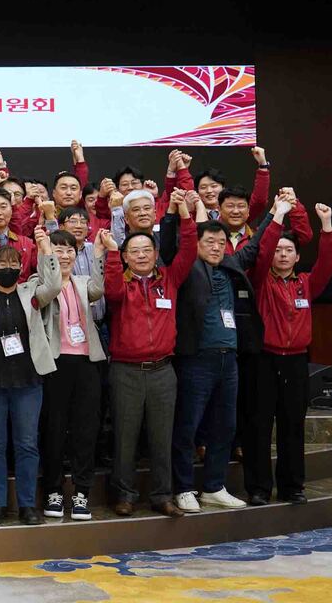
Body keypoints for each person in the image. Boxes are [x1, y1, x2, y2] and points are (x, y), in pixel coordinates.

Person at [170, 198, 270, 514]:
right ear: (196, 244)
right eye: (209, 242)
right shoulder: (188, 269)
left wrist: (275, 213)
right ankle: (183, 487)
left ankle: (214, 486)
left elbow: (255, 246)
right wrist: (180, 213)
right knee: (188, 426)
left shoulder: (230, 266)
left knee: (225, 426)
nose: (216, 247)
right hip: (197, 359)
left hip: (230, 359)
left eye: (220, 242)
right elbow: (174, 244)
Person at [103, 192, 197, 518]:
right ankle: (124, 495)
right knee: (125, 438)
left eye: (147, 250)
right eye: (134, 251)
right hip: (126, 371)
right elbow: (111, 291)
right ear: (126, 257)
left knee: (162, 437)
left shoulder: (169, 279)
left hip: (163, 371)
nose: (141, 255)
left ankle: (162, 495)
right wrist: (112, 255)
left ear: (156, 254)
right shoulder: (121, 282)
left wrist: (185, 215)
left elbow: (189, 250)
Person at [242, 197, 332, 506]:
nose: (282, 255)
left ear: (297, 257)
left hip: (296, 362)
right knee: (259, 426)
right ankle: (258, 488)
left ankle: (292, 486)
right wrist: (278, 217)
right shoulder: (260, 281)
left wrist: (326, 226)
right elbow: (262, 252)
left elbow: (327, 264)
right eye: (278, 250)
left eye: (289, 251)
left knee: (293, 425)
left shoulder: (306, 283)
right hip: (264, 361)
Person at [0, 230, 59, 526]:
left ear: (21, 267)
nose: (6, 267)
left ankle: (27, 505)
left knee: (27, 445)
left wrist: (45, 248)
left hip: (28, 382)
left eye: (12, 263)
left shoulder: (30, 291)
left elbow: (53, 285)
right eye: (0, 263)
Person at [38, 230, 107, 522]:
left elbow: (98, 290)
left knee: (85, 430)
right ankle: (53, 490)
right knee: (53, 430)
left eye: (69, 251)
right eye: (58, 250)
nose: (64, 256)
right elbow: (51, 288)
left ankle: (82, 492)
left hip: (86, 362)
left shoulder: (82, 282)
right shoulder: (38, 283)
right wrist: (46, 253)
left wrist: (99, 254)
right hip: (55, 363)